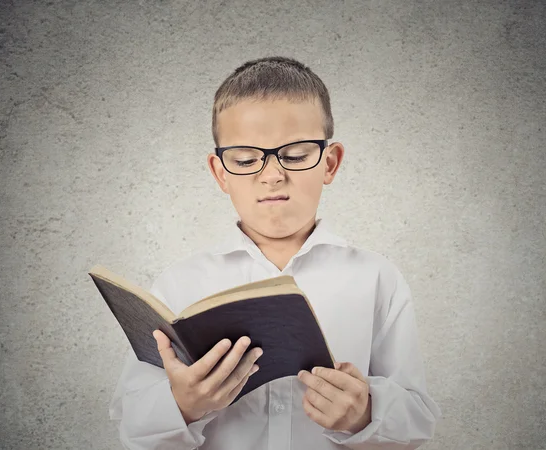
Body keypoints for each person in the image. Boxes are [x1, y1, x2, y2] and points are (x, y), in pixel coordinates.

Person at [108, 56, 442, 449]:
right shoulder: (180, 284)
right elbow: (131, 426)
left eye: (296, 155)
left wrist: (365, 414)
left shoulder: (376, 278)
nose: (272, 175)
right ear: (220, 173)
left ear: (330, 163)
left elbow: (418, 421)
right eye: (247, 160)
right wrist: (182, 404)